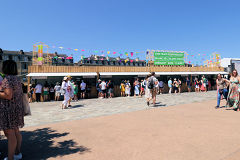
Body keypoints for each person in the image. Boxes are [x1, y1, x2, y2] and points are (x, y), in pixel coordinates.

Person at [0, 60, 24, 160]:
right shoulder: (16, 79)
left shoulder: (7, 79)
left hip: (8, 109)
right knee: (16, 131)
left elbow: (8, 95)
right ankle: (17, 153)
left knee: (10, 134)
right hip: (16, 108)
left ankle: (11, 158)